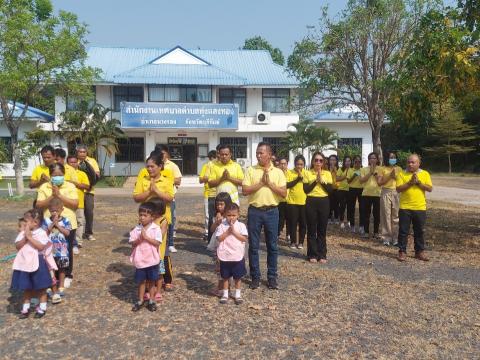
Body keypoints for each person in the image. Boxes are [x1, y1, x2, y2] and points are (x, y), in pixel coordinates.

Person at [242, 142, 286, 290]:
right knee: (253, 246)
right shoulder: (251, 170)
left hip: (272, 212)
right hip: (255, 211)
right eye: (257, 152)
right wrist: (261, 183)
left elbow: (284, 193)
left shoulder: (278, 172)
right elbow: (245, 190)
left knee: (272, 246)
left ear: (269, 155)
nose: (258, 155)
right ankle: (255, 277)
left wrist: (270, 184)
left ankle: (272, 277)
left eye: (261, 153)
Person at [133, 154, 175, 290]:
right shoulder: (142, 178)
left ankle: (165, 278)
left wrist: (156, 191)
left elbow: (170, 197)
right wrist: (148, 192)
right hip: (146, 221)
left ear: (160, 166)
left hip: (162, 220)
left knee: (162, 252)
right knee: (147, 249)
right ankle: (148, 280)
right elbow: (136, 197)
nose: (149, 169)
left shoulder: (167, 178)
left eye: (152, 166)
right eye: (148, 166)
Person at [36, 163, 78, 288]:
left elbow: (75, 204)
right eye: (54, 175)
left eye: (60, 175)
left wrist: (59, 195)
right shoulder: (44, 187)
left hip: (67, 223)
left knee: (66, 250)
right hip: (48, 224)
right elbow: (38, 205)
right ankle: (52, 275)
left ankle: (67, 275)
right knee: (49, 250)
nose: (57, 177)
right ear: (50, 175)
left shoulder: (70, 186)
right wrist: (52, 196)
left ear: (64, 174)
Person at [11, 209, 53, 318]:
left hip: (38, 262)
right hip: (25, 264)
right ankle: (25, 309)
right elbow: (18, 246)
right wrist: (25, 236)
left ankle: (42, 308)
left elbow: (41, 246)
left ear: (35, 222)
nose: (24, 224)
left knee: (41, 287)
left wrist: (30, 237)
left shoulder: (41, 233)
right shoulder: (23, 233)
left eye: (27, 221)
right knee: (26, 287)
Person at [396, 154, 433, 262]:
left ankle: (419, 251)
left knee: (419, 231)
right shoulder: (401, 173)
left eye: (413, 162)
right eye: (408, 162)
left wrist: (418, 183)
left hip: (420, 207)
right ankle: (402, 251)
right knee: (403, 231)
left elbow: (429, 188)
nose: (410, 164)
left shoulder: (425, 174)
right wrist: (410, 182)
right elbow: (398, 189)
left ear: (418, 163)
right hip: (405, 207)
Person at [129, 202, 162, 312]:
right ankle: (140, 300)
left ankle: (152, 300)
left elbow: (157, 243)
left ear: (152, 217)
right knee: (141, 281)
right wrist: (139, 239)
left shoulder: (155, 228)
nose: (142, 217)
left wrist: (146, 238)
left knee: (152, 281)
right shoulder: (136, 229)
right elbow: (132, 243)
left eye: (145, 215)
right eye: (141, 215)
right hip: (140, 260)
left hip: (152, 260)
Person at [216, 203, 248, 305]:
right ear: (225, 215)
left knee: (238, 277)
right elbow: (219, 238)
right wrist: (227, 232)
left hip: (237, 256)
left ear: (238, 215)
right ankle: (225, 294)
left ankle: (238, 294)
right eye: (229, 215)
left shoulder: (241, 226)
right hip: (225, 255)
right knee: (225, 276)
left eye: (234, 215)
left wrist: (234, 232)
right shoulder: (222, 226)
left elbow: (244, 238)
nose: (231, 217)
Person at [303, 152, 333, 263]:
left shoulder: (328, 173)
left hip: (324, 201)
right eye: (316, 160)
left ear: (324, 162)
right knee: (311, 229)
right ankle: (312, 254)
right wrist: (316, 180)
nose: (318, 162)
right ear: (312, 161)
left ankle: (322, 254)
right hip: (311, 201)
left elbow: (330, 190)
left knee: (322, 229)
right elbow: (306, 190)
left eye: (321, 160)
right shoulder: (307, 173)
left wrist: (322, 180)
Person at [42, 197, 71, 304]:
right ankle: (52, 285)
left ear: (61, 210)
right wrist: (51, 225)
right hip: (50, 251)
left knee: (62, 268)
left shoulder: (66, 220)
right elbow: (44, 234)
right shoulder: (46, 220)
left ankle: (61, 285)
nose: (54, 213)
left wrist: (58, 225)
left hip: (62, 250)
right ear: (49, 210)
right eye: (52, 210)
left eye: (56, 210)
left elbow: (67, 233)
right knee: (51, 268)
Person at [206, 192, 232, 297]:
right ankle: (220, 287)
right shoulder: (216, 216)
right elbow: (212, 229)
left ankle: (226, 288)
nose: (219, 206)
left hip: (227, 244)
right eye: (217, 204)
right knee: (218, 267)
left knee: (226, 266)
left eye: (222, 204)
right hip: (217, 244)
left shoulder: (231, 216)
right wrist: (216, 222)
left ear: (227, 204)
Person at [158, 145, 182, 253]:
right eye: (159, 153)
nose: (161, 156)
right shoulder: (154, 165)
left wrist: (166, 179)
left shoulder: (172, 166)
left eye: (163, 153)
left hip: (169, 198)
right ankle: (158, 242)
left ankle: (171, 243)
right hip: (156, 198)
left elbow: (178, 181)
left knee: (170, 221)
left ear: (167, 154)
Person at [377, 152, 402, 246]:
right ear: (387, 158)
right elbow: (379, 183)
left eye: (394, 157)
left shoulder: (399, 168)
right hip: (385, 192)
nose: (393, 159)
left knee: (396, 216)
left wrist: (395, 176)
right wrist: (389, 176)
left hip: (396, 192)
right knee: (385, 215)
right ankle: (386, 237)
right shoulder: (382, 169)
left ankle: (395, 238)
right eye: (391, 157)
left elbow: (401, 181)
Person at [76, 145, 100, 242]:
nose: (82, 154)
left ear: (87, 153)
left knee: (89, 212)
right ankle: (76, 233)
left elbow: (97, 174)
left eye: (84, 152)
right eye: (80, 152)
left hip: (89, 191)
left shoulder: (92, 161)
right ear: (77, 152)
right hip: (77, 191)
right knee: (77, 213)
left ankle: (88, 233)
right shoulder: (73, 161)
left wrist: (91, 184)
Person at [66, 155, 90, 251]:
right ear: (67, 163)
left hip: (79, 203)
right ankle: (69, 241)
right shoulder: (64, 173)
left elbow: (87, 186)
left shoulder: (82, 174)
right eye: (71, 162)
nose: (73, 164)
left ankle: (78, 241)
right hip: (67, 203)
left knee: (79, 222)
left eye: (75, 162)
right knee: (68, 223)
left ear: (78, 163)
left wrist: (75, 183)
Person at [149, 198, 169, 302]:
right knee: (149, 272)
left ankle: (158, 292)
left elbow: (161, 235)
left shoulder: (163, 220)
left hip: (159, 252)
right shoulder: (150, 220)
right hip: (149, 252)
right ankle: (150, 290)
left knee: (159, 273)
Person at [285, 155, 307, 249]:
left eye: (301, 164)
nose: (299, 166)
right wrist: (298, 178)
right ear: (294, 164)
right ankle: (293, 242)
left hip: (304, 202)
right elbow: (287, 185)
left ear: (304, 165)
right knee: (292, 223)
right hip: (292, 202)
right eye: (298, 164)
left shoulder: (307, 173)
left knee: (303, 223)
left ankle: (301, 242)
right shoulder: (289, 172)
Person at [359, 152, 382, 239]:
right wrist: (370, 173)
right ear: (368, 160)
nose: (372, 160)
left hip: (377, 194)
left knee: (376, 214)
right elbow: (361, 181)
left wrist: (374, 173)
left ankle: (376, 232)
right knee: (366, 214)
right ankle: (366, 232)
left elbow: (380, 182)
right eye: (371, 158)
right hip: (366, 194)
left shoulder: (381, 169)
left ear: (377, 160)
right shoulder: (363, 169)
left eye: (374, 158)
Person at [199, 150, 217, 241]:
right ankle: (207, 232)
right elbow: (201, 179)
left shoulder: (219, 165)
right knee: (208, 215)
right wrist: (208, 178)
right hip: (208, 192)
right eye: (211, 159)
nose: (212, 160)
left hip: (218, 193)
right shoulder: (206, 166)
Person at [335, 156, 353, 230]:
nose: (347, 162)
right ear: (344, 162)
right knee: (342, 206)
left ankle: (348, 221)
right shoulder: (341, 169)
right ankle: (342, 221)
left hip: (350, 190)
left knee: (350, 206)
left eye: (349, 161)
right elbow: (337, 179)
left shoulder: (352, 170)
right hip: (341, 190)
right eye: (346, 161)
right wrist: (345, 176)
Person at [347, 155, 364, 233]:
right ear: (353, 162)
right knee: (351, 208)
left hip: (361, 189)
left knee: (362, 208)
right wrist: (354, 175)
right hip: (352, 189)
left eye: (359, 161)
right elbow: (348, 181)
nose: (357, 163)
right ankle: (352, 226)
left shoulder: (363, 170)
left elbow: (364, 180)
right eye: (356, 162)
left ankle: (361, 226)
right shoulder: (350, 170)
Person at [277, 157, 289, 241]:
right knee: (280, 218)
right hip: (279, 200)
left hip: (289, 200)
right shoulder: (276, 174)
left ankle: (288, 234)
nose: (283, 165)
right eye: (281, 163)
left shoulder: (290, 174)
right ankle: (277, 233)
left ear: (287, 165)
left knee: (289, 219)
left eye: (285, 164)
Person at [328, 154, 340, 225]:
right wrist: (330, 170)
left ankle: (336, 217)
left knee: (336, 204)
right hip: (329, 189)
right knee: (329, 204)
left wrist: (335, 170)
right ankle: (329, 217)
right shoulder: (326, 169)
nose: (332, 161)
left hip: (337, 189)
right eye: (331, 160)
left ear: (336, 161)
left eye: (334, 160)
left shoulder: (339, 169)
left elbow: (339, 177)